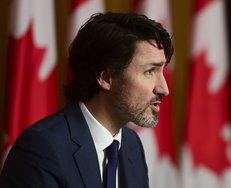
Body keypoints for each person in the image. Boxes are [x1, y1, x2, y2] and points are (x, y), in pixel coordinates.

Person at [0, 12, 173, 188]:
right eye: (150, 71)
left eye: (162, 72)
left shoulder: (132, 145)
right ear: (105, 78)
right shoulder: (41, 149)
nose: (164, 89)